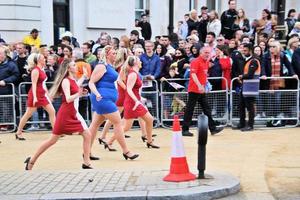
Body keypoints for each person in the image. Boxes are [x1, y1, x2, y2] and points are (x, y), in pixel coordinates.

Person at [24, 59, 92, 170]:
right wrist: (78, 94)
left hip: (74, 113)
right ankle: (31, 160)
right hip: (66, 113)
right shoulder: (65, 81)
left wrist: (84, 77)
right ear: (68, 68)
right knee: (53, 140)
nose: (76, 67)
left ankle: (86, 162)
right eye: (74, 65)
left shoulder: (72, 80)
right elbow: (68, 98)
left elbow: (76, 86)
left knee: (87, 135)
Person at [88, 45, 139, 160]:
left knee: (94, 125)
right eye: (113, 53)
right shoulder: (102, 66)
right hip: (102, 98)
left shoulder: (110, 66)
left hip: (107, 98)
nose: (115, 55)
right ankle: (126, 151)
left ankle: (87, 152)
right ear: (107, 54)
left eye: (115, 53)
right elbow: (91, 82)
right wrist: (97, 94)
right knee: (117, 123)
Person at [181, 46, 223, 136]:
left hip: (201, 89)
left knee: (206, 109)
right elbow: (193, 74)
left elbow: (204, 74)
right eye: (206, 52)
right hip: (194, 89)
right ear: (201, 53)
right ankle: (185, 129)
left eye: (209, 53)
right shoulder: (196, 61)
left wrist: (204, 85)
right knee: (190, 109)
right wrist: (199, 85)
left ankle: (213, 128)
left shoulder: (206, 62)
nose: (207, 54)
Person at [16, 53, 56, 140]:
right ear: (38, 60)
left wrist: (48, 95)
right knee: (28, 114)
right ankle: (19, 132)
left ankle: (55, 132)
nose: (45, 59)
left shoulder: (41, 70)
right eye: (43, 58)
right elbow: (33, 85)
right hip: (36, 95)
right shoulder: (35, 70)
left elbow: (43, 84)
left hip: (42, 95)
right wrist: (34, 97)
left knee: (52, 111)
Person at [122, 56, 159, 148]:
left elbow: (134, 89)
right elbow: (129, 89)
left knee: (149, 119)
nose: (141, 62)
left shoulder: (136, 73)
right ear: (135, 63)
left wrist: (139, 98)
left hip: (136, 101)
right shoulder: (133, 74)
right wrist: (136, 100)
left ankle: (149, 141)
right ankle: (110, 141)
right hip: (132, 102)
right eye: (139, 61)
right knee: (126, 127)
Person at [237, 43, 261, 131]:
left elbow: (250, 74)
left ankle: (250, 125)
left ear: (250, 50)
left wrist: (241, 77)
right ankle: (242, 123)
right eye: (243, 50)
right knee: (241, 105)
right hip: (246, 86)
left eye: (245, 50)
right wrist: (242, 77)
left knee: (250, 107)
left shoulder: (254, 60)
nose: (244, 52)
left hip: (251, 87)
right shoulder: (248, 60)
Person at [0, 45, 20, 131]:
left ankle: (6, 124)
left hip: (6, 90)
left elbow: (16, 75)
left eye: (0, 53)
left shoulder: (11, 64)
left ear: (5, 55)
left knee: (6, 108)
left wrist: (6, 81)